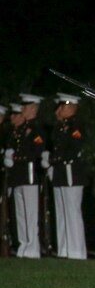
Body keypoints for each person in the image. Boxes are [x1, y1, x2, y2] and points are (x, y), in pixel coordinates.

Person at [5, 94, 49, 258]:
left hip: (30, 176)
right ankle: (24, 245)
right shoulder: (21, 130)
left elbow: (36, 152)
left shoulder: (36, 129)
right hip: (19, 176)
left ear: (33, 109)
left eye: (25, 106)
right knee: (21, 214)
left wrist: (16, 157)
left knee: (30, 214)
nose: (22, 109)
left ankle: (32, 248)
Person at [50, 93, 88, 260]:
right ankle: (64, 249)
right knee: (62, 212)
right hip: (61, 173)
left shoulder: (76, 127)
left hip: (72, 173)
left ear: (72, 108)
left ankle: (77, 251)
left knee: (72, 212)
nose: (58, 110)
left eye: (62, 106)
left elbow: (73, 148)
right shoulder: (60, 127)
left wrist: (55, 158)